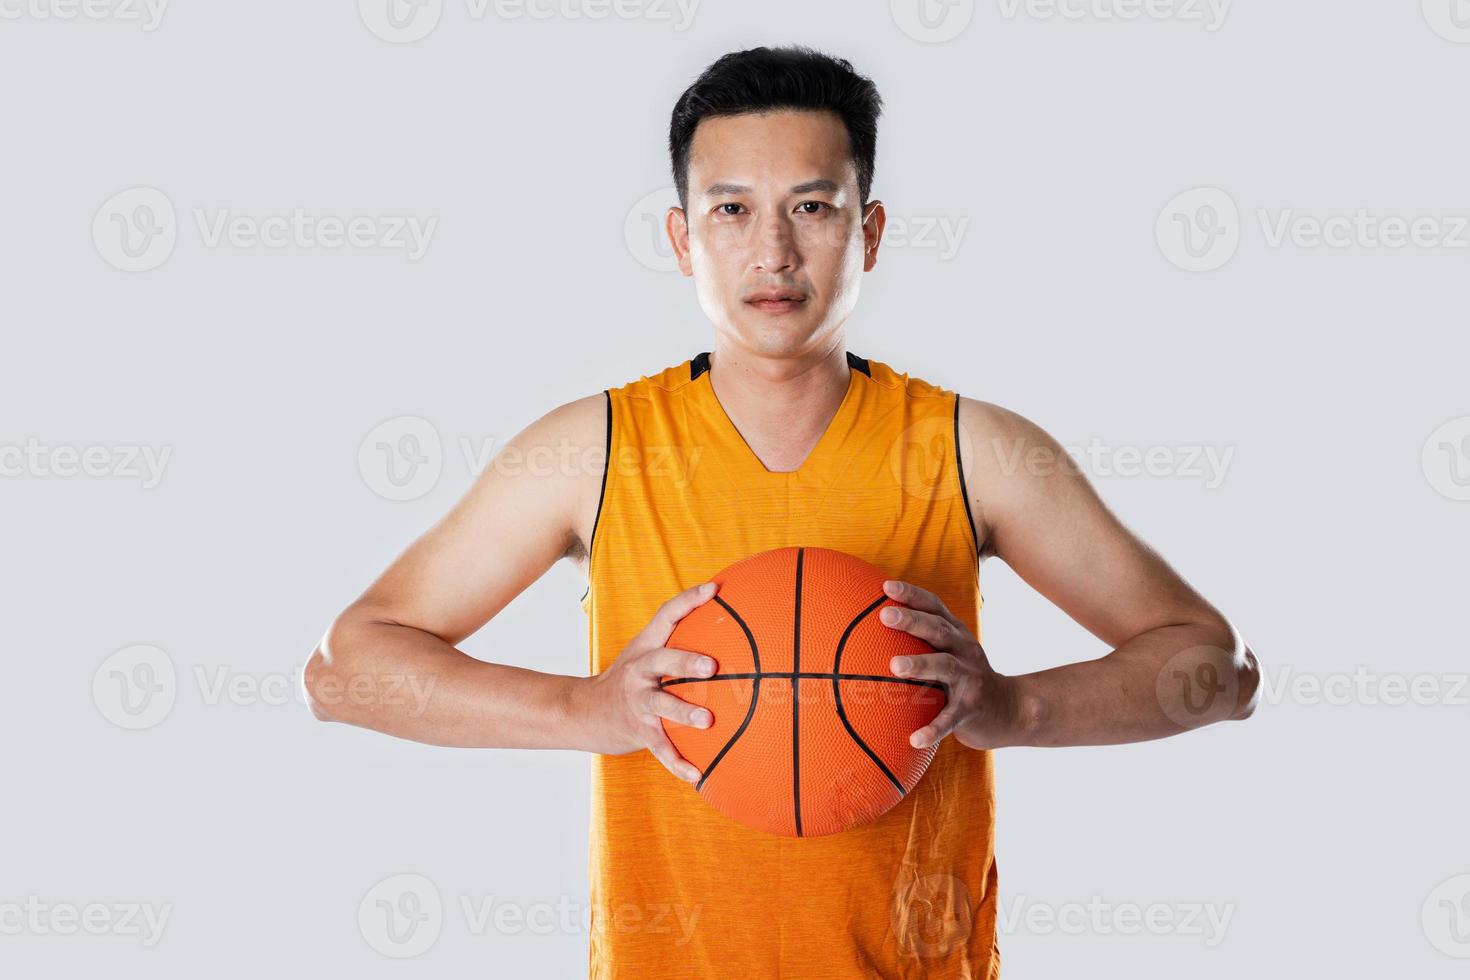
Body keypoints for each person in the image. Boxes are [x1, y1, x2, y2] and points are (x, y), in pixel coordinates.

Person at [304, 44, 1260, 979]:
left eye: (813, 207)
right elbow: (345, 671)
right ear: (683, 239)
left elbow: (1218, 668)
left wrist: (1017, 705)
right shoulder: (591, 452)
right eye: (732, 210)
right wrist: (587, 708)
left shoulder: (973, 450)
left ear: (870, 232)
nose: (774, 250)